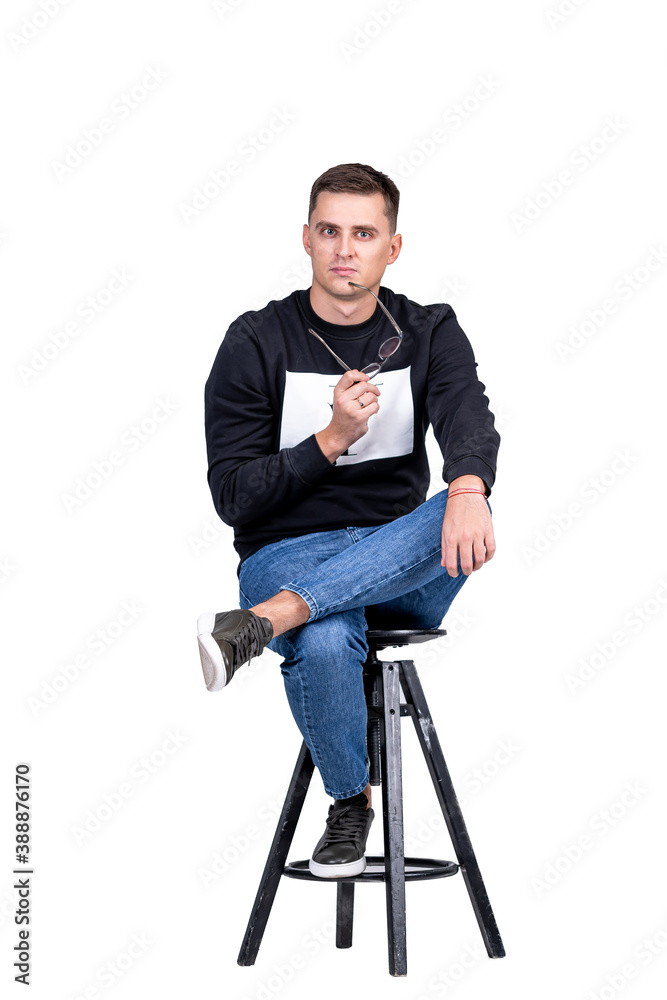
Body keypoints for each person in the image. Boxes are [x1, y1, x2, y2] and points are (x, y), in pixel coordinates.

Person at [197, 162, 500, 879]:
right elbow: (233, 498)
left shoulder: (428, 331)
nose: (344, 249)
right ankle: (348, 806)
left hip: (398, 558)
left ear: (391, 247)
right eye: (329, 231)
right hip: (286, 550)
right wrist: (329, 441)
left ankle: (268, 620)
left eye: (363, 233)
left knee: (461, 501)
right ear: (305, 238)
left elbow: (468, 420)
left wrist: (466, 484)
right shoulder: (256, 341)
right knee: (331, 638)